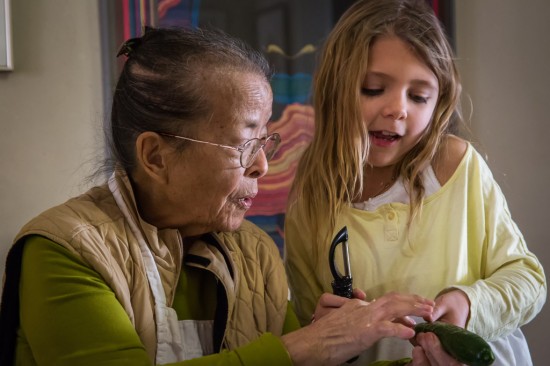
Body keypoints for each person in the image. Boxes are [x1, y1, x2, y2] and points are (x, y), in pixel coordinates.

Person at [0, 27, 437, 366]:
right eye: (244, 143)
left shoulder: (256, 252)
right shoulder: (64, 250)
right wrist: (300, 348)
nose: (262, 165)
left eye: (265, 142)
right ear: (156, 155)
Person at [284, 0, 547, 365]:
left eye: (419, 96)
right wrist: (324, 331)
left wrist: (469, 304)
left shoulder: (455, 165)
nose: (399, 109)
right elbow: (304, 324)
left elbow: (528, 279)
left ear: (438, 101)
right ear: (334, 90)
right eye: (374, 89)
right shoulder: (312, 189)